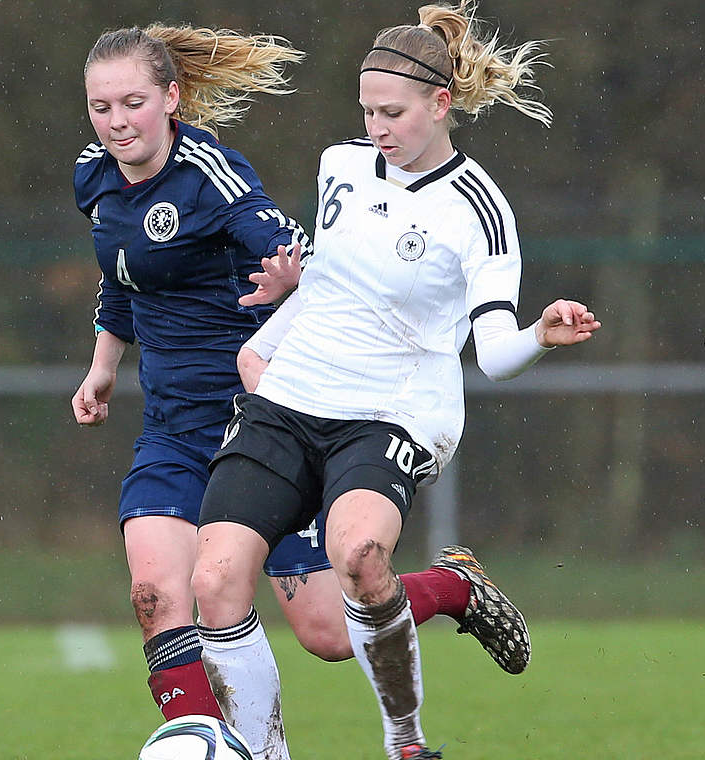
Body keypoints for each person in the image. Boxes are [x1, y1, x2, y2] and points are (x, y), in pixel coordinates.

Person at [70, 26, 515, 752]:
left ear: (172, 99)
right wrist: (103, 363)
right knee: (159, 596)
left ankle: (452, 587)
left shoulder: (212, 173)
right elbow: (120, 271)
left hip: (266, 419)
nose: (117, 122)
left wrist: (292, 280)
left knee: (329, 634)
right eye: (100, 107)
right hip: (175, 429)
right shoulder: (94, 176)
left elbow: (303, 254)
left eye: (133, 103)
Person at [190, 4, 602, 759]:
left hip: (392, 413)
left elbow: (493, 353)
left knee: (359, 558)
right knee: (214, 580)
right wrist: (267, 341)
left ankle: (406, 744)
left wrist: (541, 335)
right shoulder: (339, 164)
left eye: (393, 112)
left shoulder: (478, 210)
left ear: (440, 104)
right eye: (367, 111)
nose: (377, 126)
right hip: (291, 400)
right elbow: (332, 283)